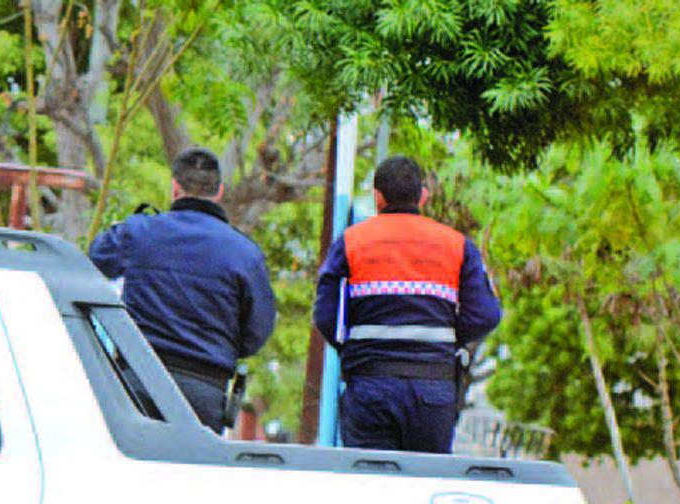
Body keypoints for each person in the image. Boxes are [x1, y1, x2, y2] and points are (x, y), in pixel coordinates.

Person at [313, 155, 502, 454]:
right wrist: (448, 339)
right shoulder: (456, 245)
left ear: (377, 197)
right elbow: (486, 314)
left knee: (371, 485)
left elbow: (325, 314)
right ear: (423, 196)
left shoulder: (352, 242)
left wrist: (351, 348)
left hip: (370, 386)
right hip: (432, 391)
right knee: (424, 485)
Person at [89, 147, 275, 431]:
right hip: (205, 391)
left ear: (175, 187)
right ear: (220, 191)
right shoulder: (244, 253)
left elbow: (93, 262)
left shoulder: (140, 232)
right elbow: (258, 329)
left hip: (139, 380)